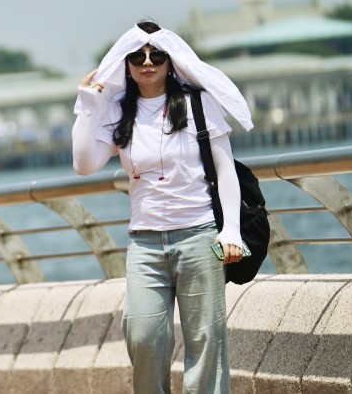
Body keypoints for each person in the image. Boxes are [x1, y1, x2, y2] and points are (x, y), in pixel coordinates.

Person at [71, 20, 254, 394]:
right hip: (145, 243)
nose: (147, 62)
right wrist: (88, 105)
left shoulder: (197, 104)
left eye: (156, 55)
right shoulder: (118, 113)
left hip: (199, 235)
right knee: (142, 337)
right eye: (138, 56)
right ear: (127, 64)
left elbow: (225, 168)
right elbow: (83, 164)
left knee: (206, 342)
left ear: (171, 61)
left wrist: (231, 229)